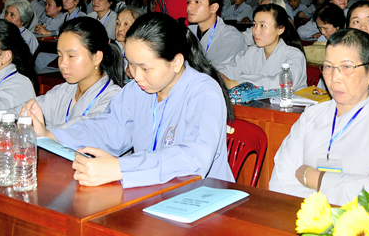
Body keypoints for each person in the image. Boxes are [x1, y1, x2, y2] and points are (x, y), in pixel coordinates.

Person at [36, 13, 234, 188]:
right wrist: (52, 135)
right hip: (151, 192)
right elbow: (106, 129)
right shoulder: (136, 91)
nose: (136, 75)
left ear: (176, 62)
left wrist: (120, 168)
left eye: (145, 68)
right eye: (131, 64)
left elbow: (193, 158)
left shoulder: (204, 92)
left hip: (200, 197)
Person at [269, 29, 369, 205]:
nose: (335, 78)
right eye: (328, 67)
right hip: (304, 216)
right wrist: (350, 186)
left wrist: (316, 178)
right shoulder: (311, 115)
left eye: (346, 67)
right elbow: (279, 181)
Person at [0, 18, 126, 148]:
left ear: (97, 57)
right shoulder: (63, 91)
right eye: (59, 55)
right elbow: (25, 110)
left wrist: (40, 134)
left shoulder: (115, 98)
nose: (62, 64)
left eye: (71, 56)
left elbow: (84, 131)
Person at [218, 4, 307, 91]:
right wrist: (220, 75)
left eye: (262, 26)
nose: (255, 31)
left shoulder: (294, 55)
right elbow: (228, 68)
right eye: (254, 24)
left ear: (280, 29)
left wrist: (240, 83)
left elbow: (282, 83)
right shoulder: (252, 52)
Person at [185, 0, 246, 69]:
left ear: (213, 7)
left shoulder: (231, 37)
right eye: (189, 2)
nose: (189, 7)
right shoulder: (187, 31)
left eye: (197, 2)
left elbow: (217, 73)